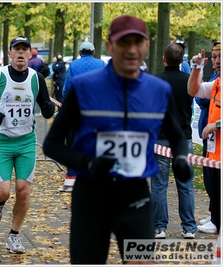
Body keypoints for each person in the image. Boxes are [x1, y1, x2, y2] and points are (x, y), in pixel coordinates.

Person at [42, 15, 191, 264]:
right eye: (124, 43)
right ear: (110, 47)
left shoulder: (158, 90)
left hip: (135, 197)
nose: (131, 49)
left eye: (138, 42)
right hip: (91, 197)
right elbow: (52, 144)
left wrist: (182, 159)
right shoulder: (83, 87)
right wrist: (88, 163)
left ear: (146, 46)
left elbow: (176, 135)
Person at [0, 35, 55, 254]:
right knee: (2, 192)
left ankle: (14, 235)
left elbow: (47, 106)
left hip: (26, 143)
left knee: (23, 191)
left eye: (25, 49)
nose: (21, 53)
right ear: (9, 54)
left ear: (30, 54)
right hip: (1, 142)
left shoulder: (36, 78)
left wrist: (49, 110)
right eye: (16, 49)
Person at [151, 43, 197, 239]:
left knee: (159, 183)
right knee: (185, 183)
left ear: (164, 59)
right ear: (182, 61)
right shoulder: (189, 81)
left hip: (160, 137)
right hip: (183, 137)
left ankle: (160, 227)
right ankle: (189, 227)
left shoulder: (154, 82)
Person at [58, 39, 105, 192]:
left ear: (79, 52)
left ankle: (71, 181)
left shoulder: (73, 65)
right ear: (93, 52)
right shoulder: (101, 65)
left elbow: (66, 89)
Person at [188, 41, 220, 235]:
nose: (217, 61)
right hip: (214, 151)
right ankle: (216, 218)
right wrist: (196, 68)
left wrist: (215, 125)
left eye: (220, 56)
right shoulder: (217, 83)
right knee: (214, 188)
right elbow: (194, 91)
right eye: (215, 57)